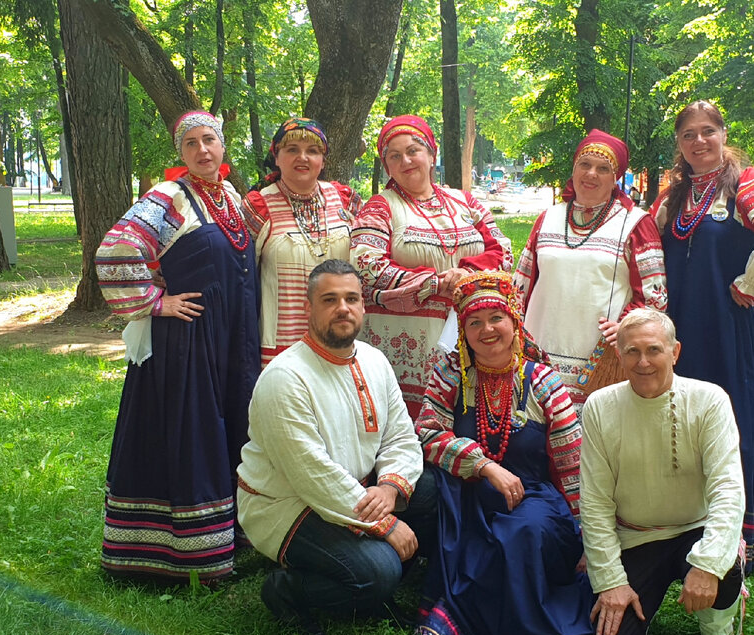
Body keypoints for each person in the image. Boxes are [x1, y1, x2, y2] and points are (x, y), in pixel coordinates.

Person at [94, 110, 259, 583]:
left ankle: (232, 533)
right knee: (193, 430)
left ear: (223, 146)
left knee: (233, 425)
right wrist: (156, 302)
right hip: (188, 341)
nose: (203, 151)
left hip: (231, 337)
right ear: (181, 153)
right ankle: (184, 553)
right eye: (192, 145)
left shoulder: (228, 196)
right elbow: (116, 249)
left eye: (210, 141)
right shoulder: (168, 197)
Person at [650, 100, 754, 571]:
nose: (699, 142)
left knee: (731, 423)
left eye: (708, 132)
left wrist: (752, 280)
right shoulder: (674, 195)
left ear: (723, 134)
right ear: (679, 145)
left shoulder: (745, 183)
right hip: (679, 327)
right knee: (680, 422)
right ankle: (683, 530)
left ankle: (740, 540)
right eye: (688, 135)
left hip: (727, 325)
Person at [237, 260, 436, 635]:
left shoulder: (374, 360)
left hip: (357, 492)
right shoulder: (285, 377)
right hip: (288, 504)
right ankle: (288, 590)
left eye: (351, 298)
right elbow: (311, 473)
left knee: (433, 494)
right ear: (308, 308)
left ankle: (367, 587)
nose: (342, 308)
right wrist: (386, 523)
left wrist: (390, 488)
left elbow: (401, 437)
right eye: (329, 299)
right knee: (379, 571)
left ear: (363, 307)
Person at [412, 271, 594, 635]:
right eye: (474, 322)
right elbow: (426, 434)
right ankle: (478, 627)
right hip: (467, 494)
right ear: (462, 332)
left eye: (496, 318)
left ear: (514, 321)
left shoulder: (541, 381)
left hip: (531, 495)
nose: (486, 329)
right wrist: (484, 466)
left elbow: (571, 459)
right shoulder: (450, 375)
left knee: (522, 532)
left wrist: (588, 536)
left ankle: (523, 632)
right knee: (465, 531)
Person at [579, 308, 745, 635]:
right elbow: (595, 503)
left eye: (654, 350)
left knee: (723, 567)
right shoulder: (599, 407)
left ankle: (717, 629)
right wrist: (611, 582)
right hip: (637, 536)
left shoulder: (709, 400)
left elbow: (728, 490)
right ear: (619, 354)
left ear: (675, 352)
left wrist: (708, 564)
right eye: (632, 352)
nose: (643, 362)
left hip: (695, 529)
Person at [351, 115, 512, 417]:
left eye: (413, 150)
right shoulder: (380, 206)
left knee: (468, 419)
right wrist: (435, 283)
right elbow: (366, 264)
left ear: (431, 155)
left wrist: (468, 273)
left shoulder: (464, 201)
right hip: (406, 342)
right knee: (408, 427)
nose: (406, 160)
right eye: (394, 156)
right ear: (387, 166)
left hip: (470, 335)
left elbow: (502, 249)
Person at [513, 129, 667, 412]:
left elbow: (654, 297)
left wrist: (627, 326)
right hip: (539, 351)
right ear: (573, 170)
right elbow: (520, 286)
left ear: (616, 177)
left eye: (603, 168)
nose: (591, 174)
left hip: (598, 360)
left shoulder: (636, 223)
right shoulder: (548, 218)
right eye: (584, 165)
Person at [242, 118, 363, 367]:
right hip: (283, 339)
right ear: (276, 157)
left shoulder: (345, 201)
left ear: (323, 160)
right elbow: (235, 270)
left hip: (342, 332)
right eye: (292, 150)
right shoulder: (258, 207)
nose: (303, 158)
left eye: (312, 151)